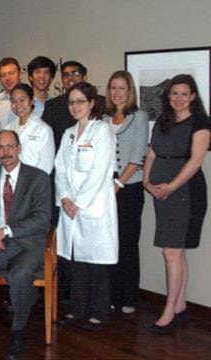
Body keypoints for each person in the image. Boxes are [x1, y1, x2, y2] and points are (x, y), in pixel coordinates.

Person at [0, 130, 51, 360]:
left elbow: (42, 218)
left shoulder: (39, 178)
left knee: (20, 274)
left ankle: (18, 331)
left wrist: (5, 231)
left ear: (19, 147)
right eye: (0, 147)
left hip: (27, 244)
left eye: (10, 146)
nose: (6, 152)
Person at [143, 74, 210, 334]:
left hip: (186, 193)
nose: (178, 99)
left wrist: (171, 186)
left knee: (171, 252)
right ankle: (180, 304)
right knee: (176, 252)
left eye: (184, 94)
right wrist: (148, 181)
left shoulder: (201, 122)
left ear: (193, 96)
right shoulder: (163, 121)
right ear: (167, 96)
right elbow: (152, 153)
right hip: (162, 193)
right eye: (174, 94)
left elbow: (195, 162)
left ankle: (169, 310)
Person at [54, 82, 117, 331]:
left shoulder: (102, 131)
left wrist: (78, 202)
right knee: (76, 259)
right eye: (71, 102)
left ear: (92, 103)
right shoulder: (68, 133)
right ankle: (78, 308)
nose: (75, 106)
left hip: (94, 206)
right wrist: (65, 198)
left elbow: (100, 171)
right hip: (71, 206)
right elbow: (60, 168)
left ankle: (100, 311)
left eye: (81, 101)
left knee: (97, 262)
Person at [102, 70, 149, 314]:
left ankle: (129, 296)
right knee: (109, 242)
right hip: (105, 188)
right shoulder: (102, 119)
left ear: (129, 91)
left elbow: (138, 155)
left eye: (122, 88)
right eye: (113, 88)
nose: (117, 93)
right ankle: (112, 294)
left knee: (128, 243)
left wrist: (119, 183)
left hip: (128, 188)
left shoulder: (139, 117)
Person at [42, 60, 106, 150]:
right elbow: (46, 138)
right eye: (66, 75)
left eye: (75, 73)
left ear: (84, 77)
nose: (70, 78)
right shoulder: (52, 106)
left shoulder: (102, 102)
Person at [4, 83, 54, 174]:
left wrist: (32, 185)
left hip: (34, 184)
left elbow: (46, 166)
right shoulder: (7, 128)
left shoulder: (44, 130)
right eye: (14, 101)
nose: (18, 105)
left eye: (22, 100)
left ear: (31, 101)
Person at [0, 57, 21, 129]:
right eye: (3, 75)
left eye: (11, 73)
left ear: (20, 74)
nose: (7, 78)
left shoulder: (33, 101)